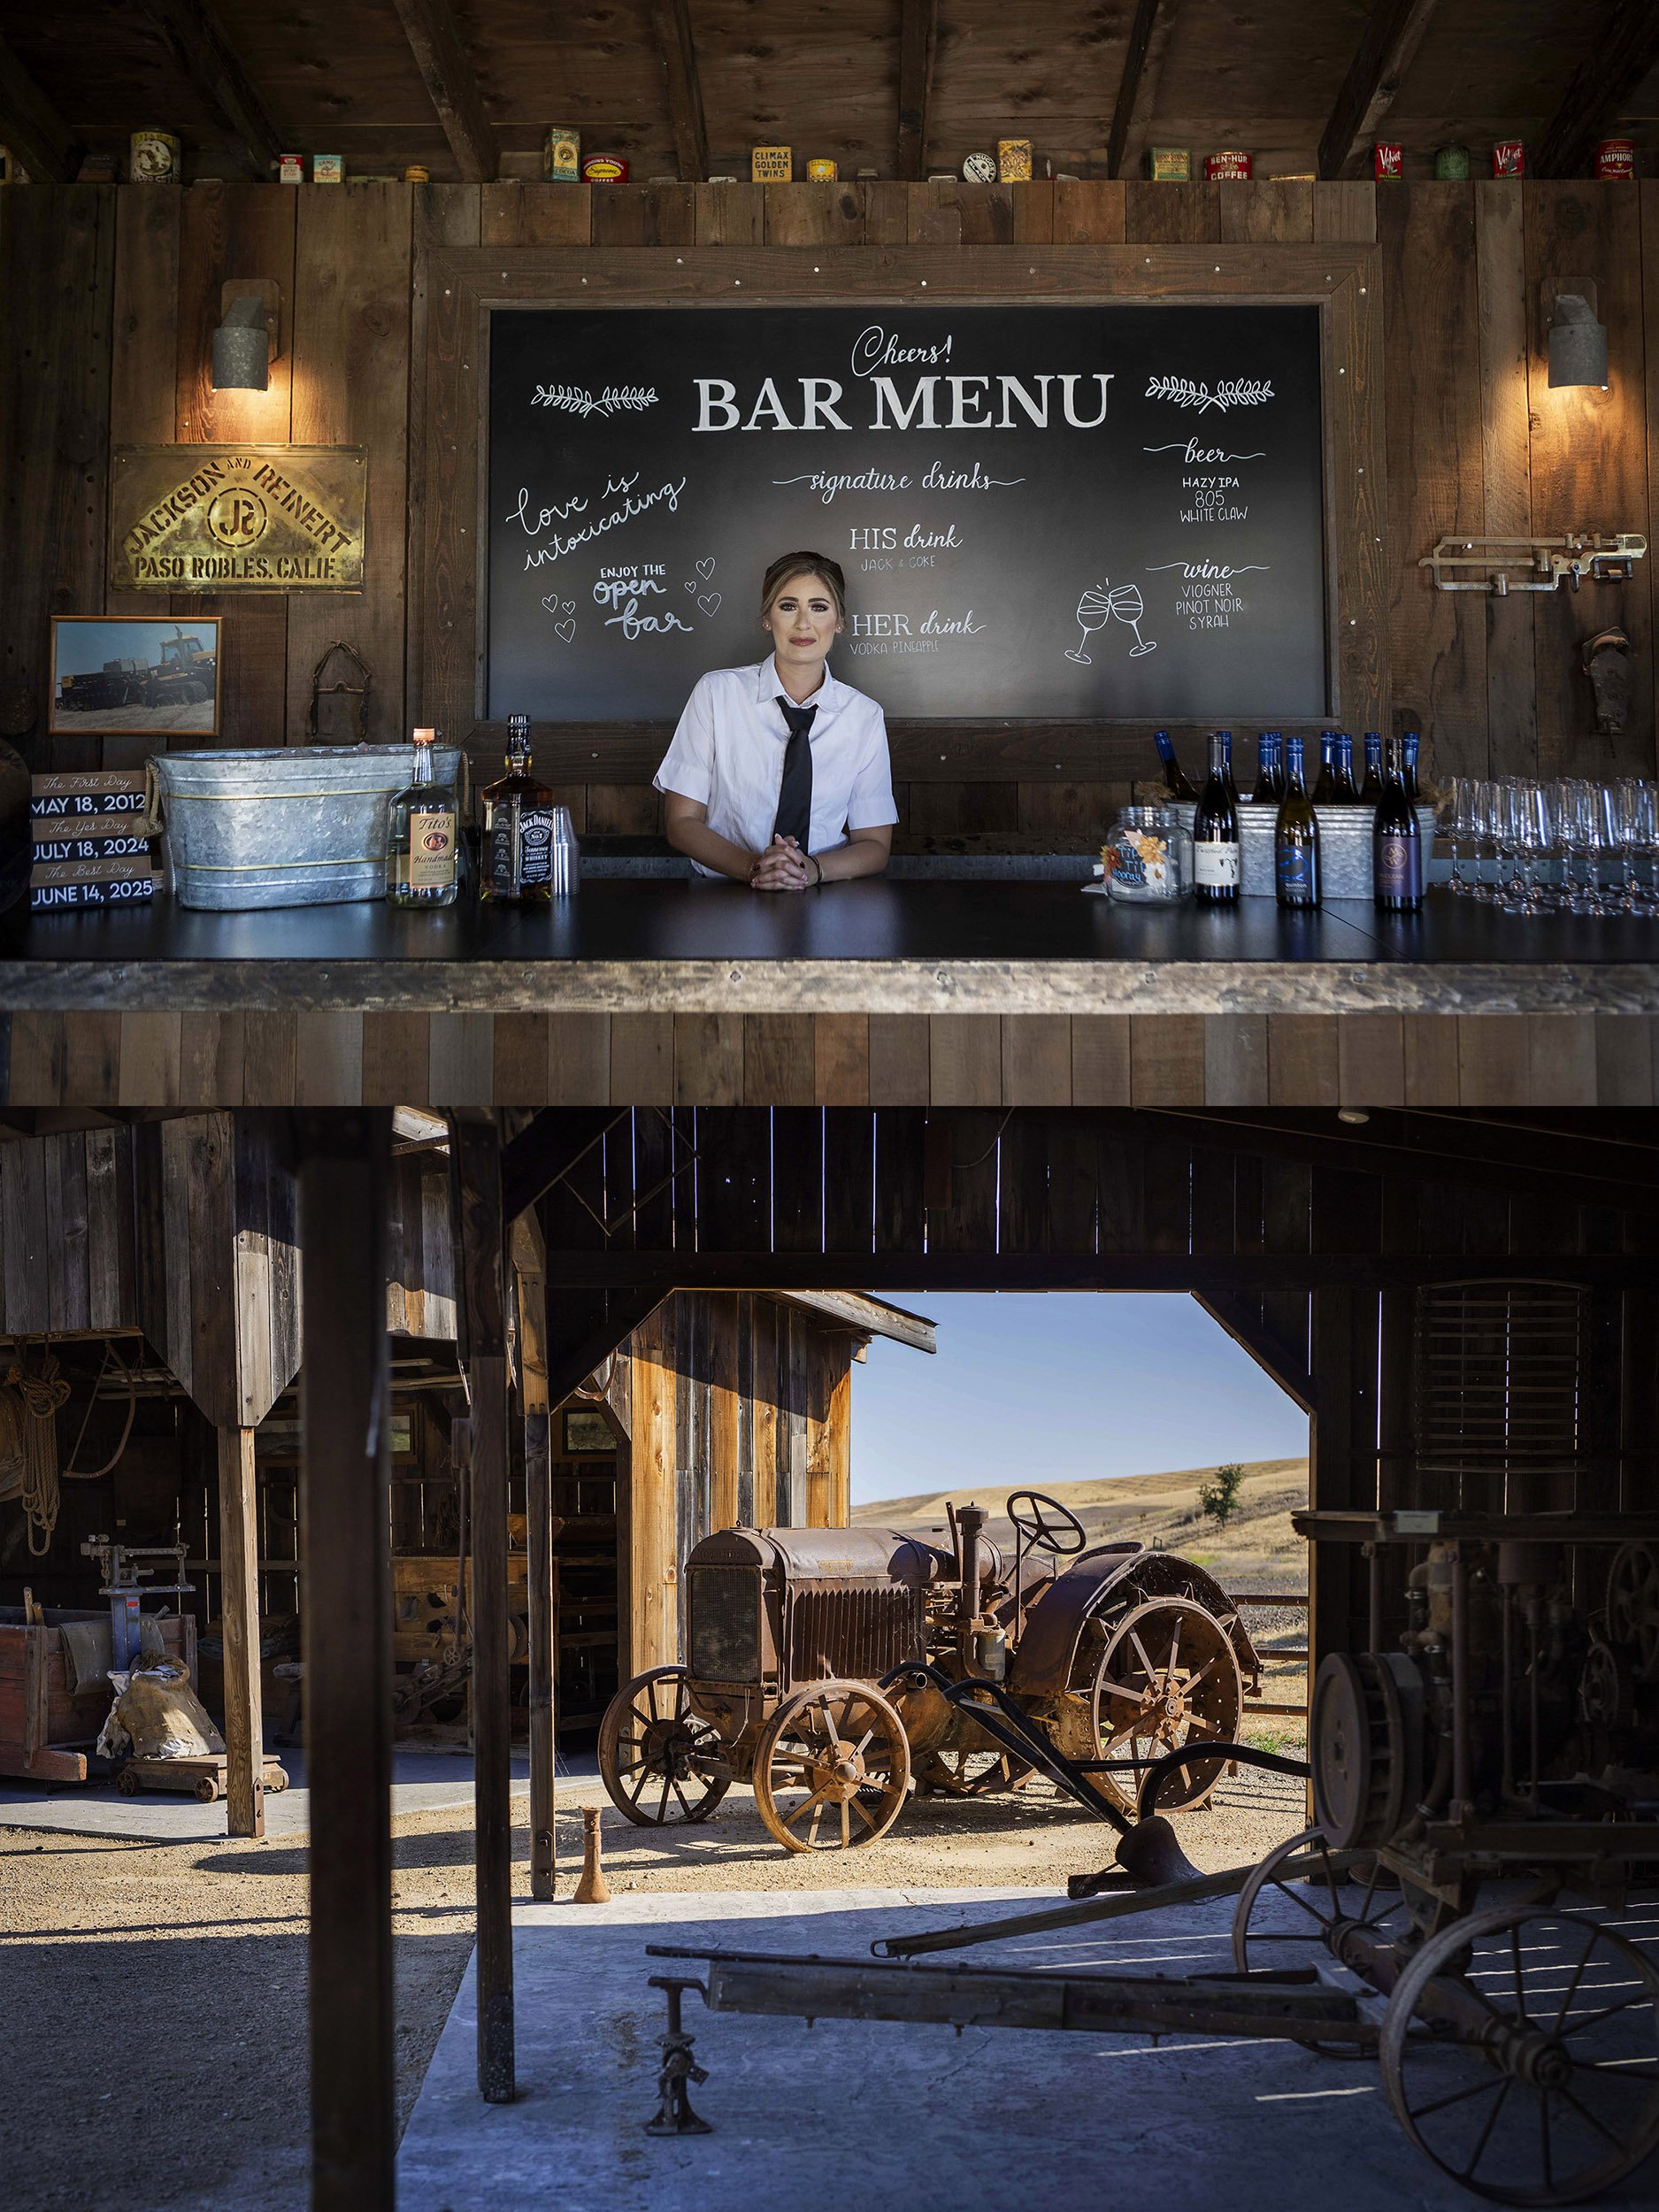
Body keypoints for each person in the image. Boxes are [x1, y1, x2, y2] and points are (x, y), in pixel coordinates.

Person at [654, 551, 896, 890]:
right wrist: (755, 867)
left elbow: (874, 845)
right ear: (767, 617)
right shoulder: (716, 693)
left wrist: (809, 870)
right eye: (787, 606)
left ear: (839, 621)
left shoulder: (864, 716)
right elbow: (682, 822)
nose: (802, 623)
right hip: (724, 896)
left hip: (824, 894)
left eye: (819, 607)